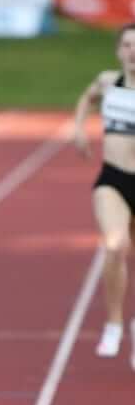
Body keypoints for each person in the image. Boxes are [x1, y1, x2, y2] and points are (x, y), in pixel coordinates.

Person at [74, 22, 135, 367]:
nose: (133, 51)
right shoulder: (108, 81)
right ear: (118, 50)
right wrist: (79, 129)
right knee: (114, 245)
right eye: (127, 45)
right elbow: (88, 96)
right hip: (113, 178)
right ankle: (113, 323)